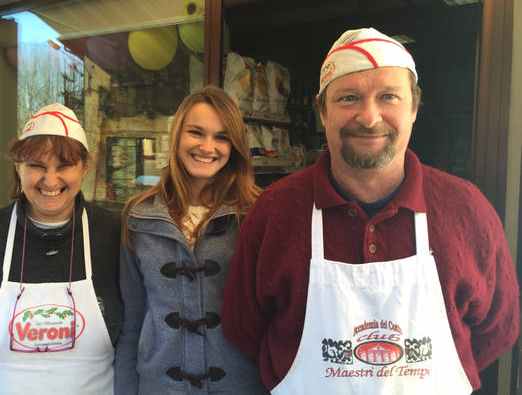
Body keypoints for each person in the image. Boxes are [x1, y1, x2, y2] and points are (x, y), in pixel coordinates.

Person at [221, 28, 519, 394]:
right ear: (322, 111)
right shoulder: (274, 212)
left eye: (388, 96)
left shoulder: (467, 210)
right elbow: (244, 327)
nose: (369, 116)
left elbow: (498, 328)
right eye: (348, 98)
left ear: (413, 108)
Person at [0, 103, 122, 394]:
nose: (50, 180)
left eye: (64, 166)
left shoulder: (114, 237)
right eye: (37, 166)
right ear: (17, 168)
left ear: (86, 169)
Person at [114, 85, 267, 394]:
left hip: (240, 386)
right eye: (196, 132)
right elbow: (131, 322)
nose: (207, 147)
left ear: (235, 145)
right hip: (160, 387)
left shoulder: (257, 214)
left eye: (222, 137)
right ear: (177, 136)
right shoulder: (139, 217)